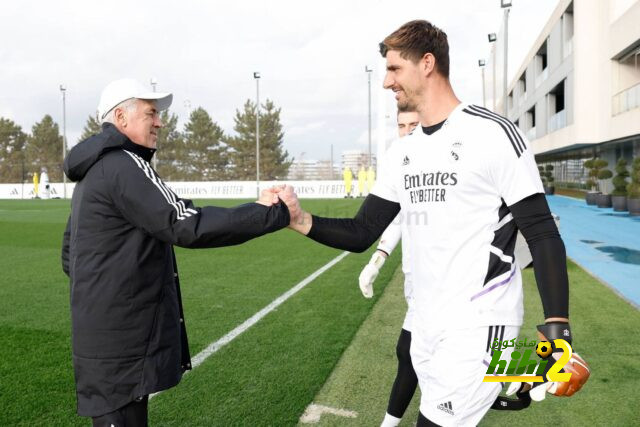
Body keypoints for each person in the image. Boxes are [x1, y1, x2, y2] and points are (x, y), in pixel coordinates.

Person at [278, 20, 589, 426]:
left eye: (394, 70)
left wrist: (558, 328)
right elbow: (362, 233)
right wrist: (298, 219)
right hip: (425, 323)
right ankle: (525, 372)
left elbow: (543, 233)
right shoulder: (401, 153)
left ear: (427, 63)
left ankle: (520, 370)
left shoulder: (493, 134)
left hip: (478, 322)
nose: (387, 82)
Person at [61, 78, 290, 426]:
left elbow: (70, 254)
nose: (160, 122)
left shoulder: (96, 170)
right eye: (151, 113)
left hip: (106, 340)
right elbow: (185, 223)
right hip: (120, 346)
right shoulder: (123, 164)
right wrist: (269, 213)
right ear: (121, 118)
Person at [358, 109, 419, 427]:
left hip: (449, 286)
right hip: (417, 283)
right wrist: (376, 261)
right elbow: (398, 220)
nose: (407, 131)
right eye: (401, 125)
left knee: (410, 352)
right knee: (410, 354)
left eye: (414, 124)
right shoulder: (400, 163)